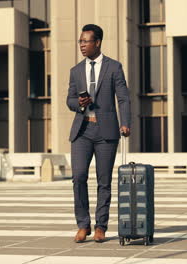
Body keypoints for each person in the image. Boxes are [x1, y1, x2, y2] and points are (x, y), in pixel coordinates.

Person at [67, 24, 131, 243]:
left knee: (104, 181)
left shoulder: (114, 67)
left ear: (98, 42)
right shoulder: (75, 71)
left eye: (86, 41)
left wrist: (125, 123)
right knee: (79, 177)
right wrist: (80, 103)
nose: (82, 45)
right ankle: (82, 225)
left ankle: (100, 226)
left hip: (106, 133)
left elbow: (123, 97)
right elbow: (70, 100)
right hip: (82, 131)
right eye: (80, 42)